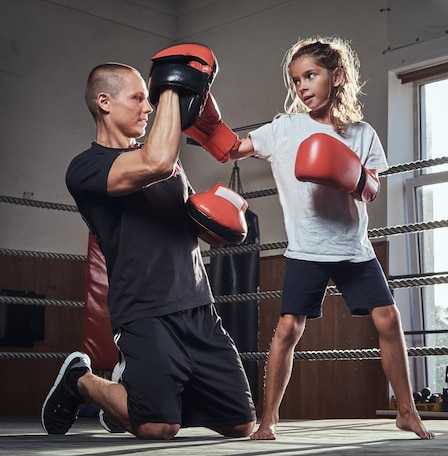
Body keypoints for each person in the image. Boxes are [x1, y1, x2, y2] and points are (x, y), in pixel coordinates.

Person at [41, 44, 256, 440]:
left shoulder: (171, 167)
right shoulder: (86, 168)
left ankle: (130, 401)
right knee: (157, 427)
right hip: (145, 309)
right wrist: (172, 85)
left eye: (150, 97)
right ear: (104, 102)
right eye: (139, 97)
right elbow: (152, 163)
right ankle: (81, 380)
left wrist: (219, 221)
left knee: (240, 423)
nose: (148, 107)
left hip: (197, 305)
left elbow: (185, 217)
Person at [230, 36, 435, 441]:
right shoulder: (285, 128)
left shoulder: (362, 134)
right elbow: (236, 148)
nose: (302, 87)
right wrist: (200, 121)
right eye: (296, 81)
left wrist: (348, 173)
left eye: (311, 75)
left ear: (336, 76)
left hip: (353, 248)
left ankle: (407, 412)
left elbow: (372, 188)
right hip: (307, 249)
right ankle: (268, 419)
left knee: (389, 320)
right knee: (288, 328)